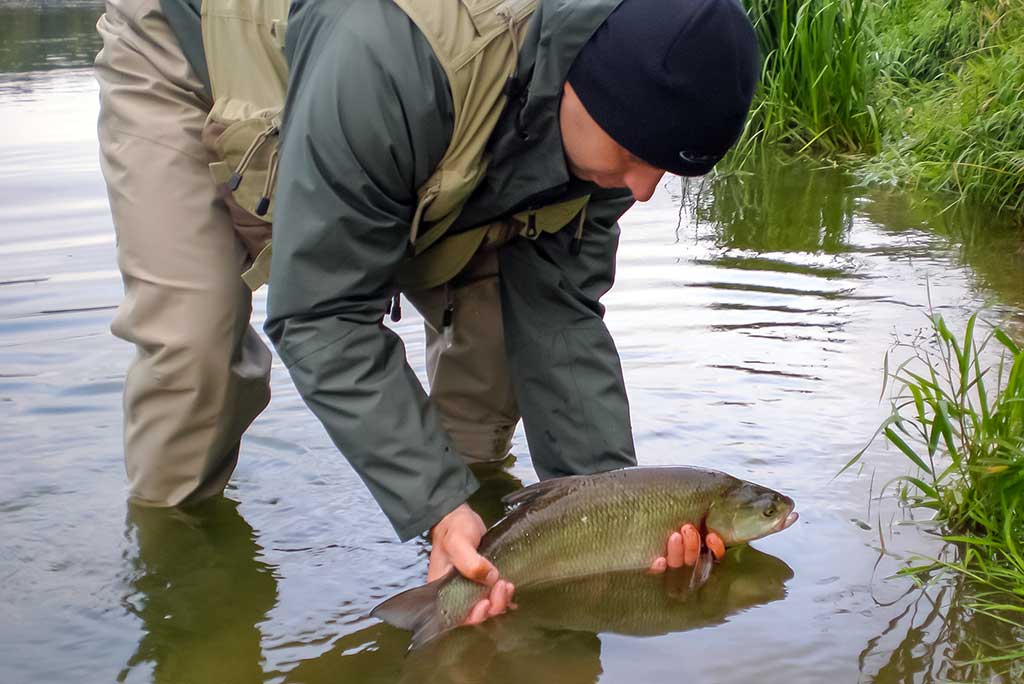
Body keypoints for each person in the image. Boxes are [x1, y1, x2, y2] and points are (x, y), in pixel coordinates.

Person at [95, 0, 758, 624]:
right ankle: (178, 591)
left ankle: (469, 563)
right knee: (195, 349)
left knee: (497, 333)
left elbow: (559, 319)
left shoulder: (612, 121)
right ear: (584, 86)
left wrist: (619, 506)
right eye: (638, 157)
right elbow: (322, 311)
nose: (643, 190)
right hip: (199, 53)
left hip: (410, 109)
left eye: (667, 170)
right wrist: (433, 500)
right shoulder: (390, 58)